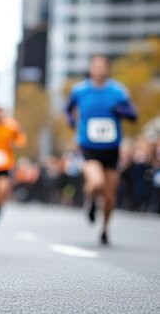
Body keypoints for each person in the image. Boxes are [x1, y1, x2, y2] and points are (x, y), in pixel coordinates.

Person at [65, 55, 137, 245]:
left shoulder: (118, 91)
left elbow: (133, 114)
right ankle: (90, 201)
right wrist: (71, 121)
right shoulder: (80, 90)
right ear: (90, 69)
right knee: (96, 182)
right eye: (95, 66)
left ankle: (105, 229)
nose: (98, 69)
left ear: (108, 69)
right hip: (88, 145)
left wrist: (122, 111)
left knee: (110, 196)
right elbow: (68, 109)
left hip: (112, 148)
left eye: (102, 66)